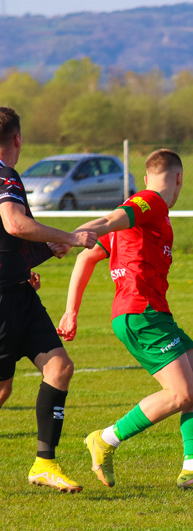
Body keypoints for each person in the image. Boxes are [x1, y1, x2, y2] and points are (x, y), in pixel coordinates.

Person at [57, 149, 193, 489]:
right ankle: (105, 439)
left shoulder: (146, 216)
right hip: (141, 313)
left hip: (154, 314)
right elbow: (110, 221)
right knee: (182, 393)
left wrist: (71, 311)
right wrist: (69, 236)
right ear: (180, 178)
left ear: (145, 175)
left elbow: (87, 258)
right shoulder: (150, 202)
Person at [0, 106, 98, 492]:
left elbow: (7, 241)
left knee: (59, 368)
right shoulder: (4, 174)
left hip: (19, 293)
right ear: (18, 139)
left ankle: (45, 464)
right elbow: (13, 224)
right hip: (5, 302)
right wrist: (72, 237)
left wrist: (39, 254)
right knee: (2, 390)